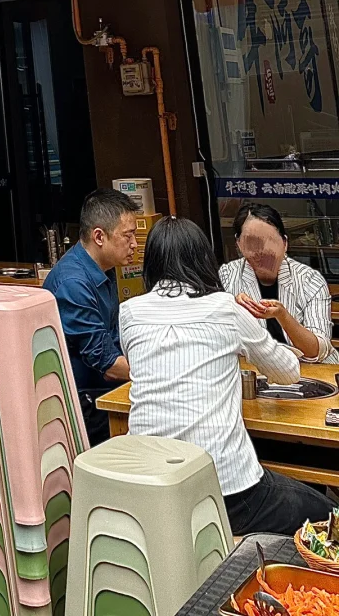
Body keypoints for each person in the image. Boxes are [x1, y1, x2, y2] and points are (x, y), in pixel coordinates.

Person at [120, 215, 330, 537]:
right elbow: (288, 372)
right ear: (205, 258)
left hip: (149, 488)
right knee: (327, 514)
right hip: (227, 492)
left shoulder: (129, 312)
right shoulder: (226, 307)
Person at [44, 188, 138, 444]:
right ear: (99, 236)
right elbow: (107, 364)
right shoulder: (73, 283)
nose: (134, 244)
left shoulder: (104, 267)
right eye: (127, 235)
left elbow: (114, 337)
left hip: (104, 388)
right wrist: (161, 374)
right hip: (82, 402)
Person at [221, 203, 337, 364]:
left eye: (270, 241)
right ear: (239, 244)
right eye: (252, 242)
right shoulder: (227, 276)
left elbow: (317, 351)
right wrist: (231, 306)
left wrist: (282, 316)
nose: (262, 251)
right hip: (254, 369)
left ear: (284, 243)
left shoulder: (309, 280)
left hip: (311, 369)